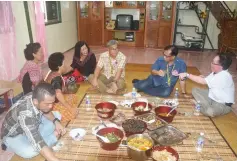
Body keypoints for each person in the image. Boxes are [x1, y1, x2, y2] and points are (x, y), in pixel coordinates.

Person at [1, 83, 65, 160]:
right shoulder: (25, 113)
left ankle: (38, 136)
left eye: (52, 103)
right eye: (48, 104)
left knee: (57, 115)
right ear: (35, 101)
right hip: (15, 136)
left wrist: (56, 122)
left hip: (30, 124)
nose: (51, 106)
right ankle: (51, 137)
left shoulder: (37, 96)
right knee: (29, 152)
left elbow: (46, 111)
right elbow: (38, 143)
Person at [44, 52, 78, 122]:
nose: (65, 64)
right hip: (51, 106)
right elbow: (58, 94)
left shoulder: (52, 72)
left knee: (73, 97)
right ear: (60, 66)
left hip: (50, 101)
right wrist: (70, 109)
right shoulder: (57, 78)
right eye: (64, 62)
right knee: (72, 114)